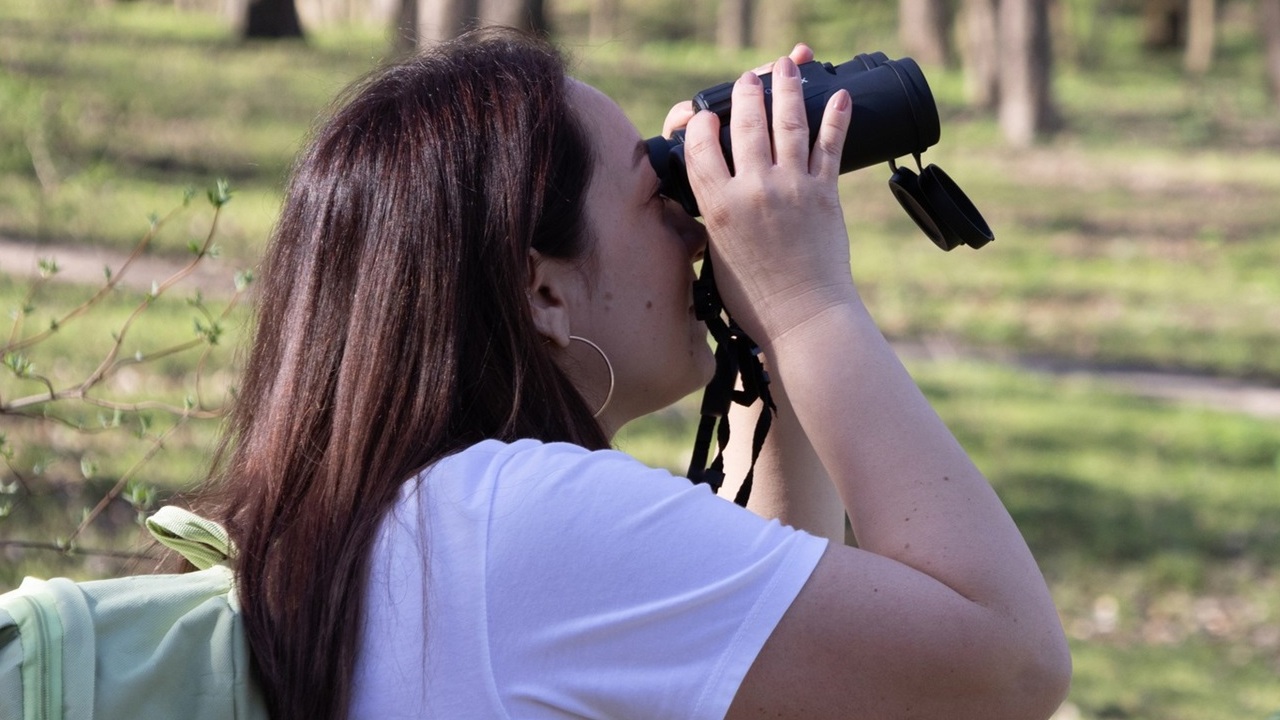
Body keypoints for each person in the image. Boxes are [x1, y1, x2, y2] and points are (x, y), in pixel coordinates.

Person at [194, 28, 1071, 720]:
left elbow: (780, 672)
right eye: (660, 197)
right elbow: (1011, 665)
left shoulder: (423, 519)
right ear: (543, 290)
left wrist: (773, 341)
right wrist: (809, 303)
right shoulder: (523, 524)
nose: (698, 234)